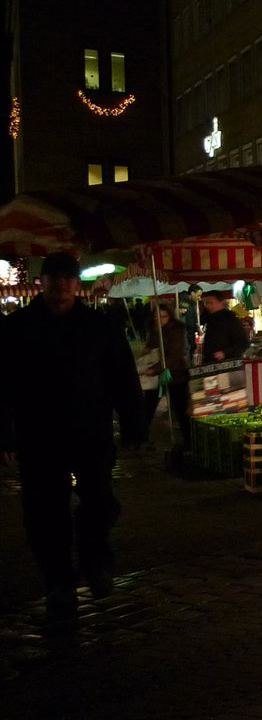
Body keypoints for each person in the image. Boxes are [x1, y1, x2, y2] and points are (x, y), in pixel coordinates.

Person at [0, 253, 146, 630]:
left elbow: (123, 378)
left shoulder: (99, 326)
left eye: (67, 278)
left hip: (90, 432)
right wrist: (5, 433)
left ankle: (95, 559)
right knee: (45, 511)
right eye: (54, 277)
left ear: (76, 284)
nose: (60, 285)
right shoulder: (17, 328)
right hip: (38, 436)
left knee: (98, 499)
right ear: (42, 281)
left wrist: (134, 424)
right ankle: (58, 579)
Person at [142, 303, 192, 451]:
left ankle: (188, 439)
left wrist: (156, 369)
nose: (159, 319)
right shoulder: (154, 330)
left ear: (169, 316)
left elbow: (175, 354)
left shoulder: (177, 330)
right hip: (157, 376)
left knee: (180, 407)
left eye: (162, 316)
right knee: (148, 406)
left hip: (175, 374)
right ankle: (141, 437)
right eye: (156, 316)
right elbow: (152, 348)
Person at [199, 291, 249, 362]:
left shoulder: (230, 319)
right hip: (210, 361)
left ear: (221, 302)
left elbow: (242, 343)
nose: (208, 306)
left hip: (227, 363)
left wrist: (225, 353)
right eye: (206, 303)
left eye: (211, 303)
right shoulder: (208, 318)